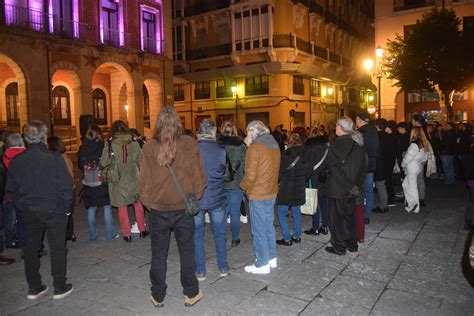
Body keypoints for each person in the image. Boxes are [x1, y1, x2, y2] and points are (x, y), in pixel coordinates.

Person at [139, 106, 206, 307]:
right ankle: (191, 293)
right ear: (179, 122)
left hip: (158, 210)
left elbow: (143, 182)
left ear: (158, 123)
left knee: (158, 255)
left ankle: (157, 295)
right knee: (187, 252)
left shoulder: (149, 147)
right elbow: (199, 176)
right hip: (183, 208)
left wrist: (149, 202)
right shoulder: (188, 143)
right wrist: (195, 195)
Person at [7, 121, 74, 299]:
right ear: (44, 137)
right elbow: (67, 186)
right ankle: (59, 286)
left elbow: (11, 191)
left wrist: (22, 207)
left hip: (30, 209)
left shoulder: (17, 161)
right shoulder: (54, 158)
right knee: (57, 247)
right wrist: (66, 208)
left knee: (30, 248)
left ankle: (34, 287)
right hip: (54, 209)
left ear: (25, 139)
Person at [240, 120, 281, 274]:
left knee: (258, 228)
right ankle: (271, 258)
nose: (246, 135)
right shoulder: (274, 143)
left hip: (258, 194)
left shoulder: (255, 147)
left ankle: (262, 262)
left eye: (247, 132)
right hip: (271, 192)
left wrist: (243, 187)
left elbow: (250, 175)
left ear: (252, 131)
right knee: (268, 225)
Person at [325, 117, 366, 256]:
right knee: (350, 218)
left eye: (336, 125)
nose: (335, 127)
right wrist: (356, 186)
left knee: (336, 220)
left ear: (340, 128)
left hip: (337, 189)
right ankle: (352, 244)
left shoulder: (334, 146)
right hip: (352, 190)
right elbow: (363, 169)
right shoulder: (358, 146)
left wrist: (349, 186)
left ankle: (339, 247)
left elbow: (335, 169)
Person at [101, 120, 147, 242]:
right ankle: (142, 229)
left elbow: (104, 162)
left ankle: (127, 234)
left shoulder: (110, 144)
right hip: (133, 176)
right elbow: (140, 160)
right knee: (137, 203)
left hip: (118, 178)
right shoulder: (133, 141)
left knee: (122, 206)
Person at [194, 119, 229, 280]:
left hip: (197, 198)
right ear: (213, 131)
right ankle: (223, 267)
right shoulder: (221, 150)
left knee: (197, 234)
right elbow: (226, 173)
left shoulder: (191, 150)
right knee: (220, 233)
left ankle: (200, 271)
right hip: (217, 197)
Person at [78, 126, 118, 241]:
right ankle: (110, 234)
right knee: (106, 206)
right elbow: (108, 162)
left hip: (88, 179)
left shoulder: (82, 148)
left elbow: (80, 165)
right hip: (102, 179)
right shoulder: (103, 146)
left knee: (91, 207)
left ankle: (93, 235)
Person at [276, 133, 308, 246]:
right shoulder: (305, 154)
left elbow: (280, 172)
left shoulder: (286, 154)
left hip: (286, 187)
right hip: (299, 187)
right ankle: (297, 236)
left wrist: (277, 182)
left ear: (289, 142)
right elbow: (307, 171)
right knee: (296, 212)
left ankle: (286, 238)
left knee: (281, 212)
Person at [218, 120, 246, 246]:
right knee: (235, 212)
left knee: (222, 212)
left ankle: (221, 237)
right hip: (236, 183)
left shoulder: (217, 144)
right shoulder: (240, 145)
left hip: (220, 184)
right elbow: (245, 164)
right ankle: (235, 238)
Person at [47, 136, 76, 242]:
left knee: (60, 214)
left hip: (60, 190)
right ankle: (70, 233)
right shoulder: (65, 157)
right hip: (69, 188)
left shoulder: (55, 158)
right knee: (68, 213)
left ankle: (62, 235)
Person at [304, 130, 330, 236]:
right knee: (324, 203)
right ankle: (325, 226)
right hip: (325, 178)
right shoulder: (328, 147)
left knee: (314, 203)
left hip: (314, 179)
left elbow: (309, 166)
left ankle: (315, 228)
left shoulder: (311, 148)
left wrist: (305, 178)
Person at [2, 133, 26, 249]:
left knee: (8, 219)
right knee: (22, 220)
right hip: (21, 193)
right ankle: (22, 242)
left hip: (7, 192)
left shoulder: (4, 156)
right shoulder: (23, 156)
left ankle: (10, 238)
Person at [355, 112, 378, 224]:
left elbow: (357, 149)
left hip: (361, 164)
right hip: (371, 164)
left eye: (356, 119)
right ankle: (366, 216)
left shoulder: (360, 132)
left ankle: (357, 214)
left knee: (357, 189)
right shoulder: (374, 131)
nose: (356, 122)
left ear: (361, 120)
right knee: (369, 191)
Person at [401, 127, 429, 213]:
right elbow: (425, 156)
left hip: (412, 166)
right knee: (405, 184)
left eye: (412, 132)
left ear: (415, 133)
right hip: (417, 166)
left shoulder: (414, 144)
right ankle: (412, 202)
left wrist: (403, 164)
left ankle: (416, 205)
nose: (410, 134)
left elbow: (408, 157)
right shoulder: (424, 143)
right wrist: (420, 162)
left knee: (412, 186)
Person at [373, 119, 392, 214]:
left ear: (377, 126)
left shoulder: (377, 137)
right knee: (382, 185)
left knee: (380, 185)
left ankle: (383, 206)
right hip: (386, 163)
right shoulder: (388, 136)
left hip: (379, 163)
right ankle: (384, 205)